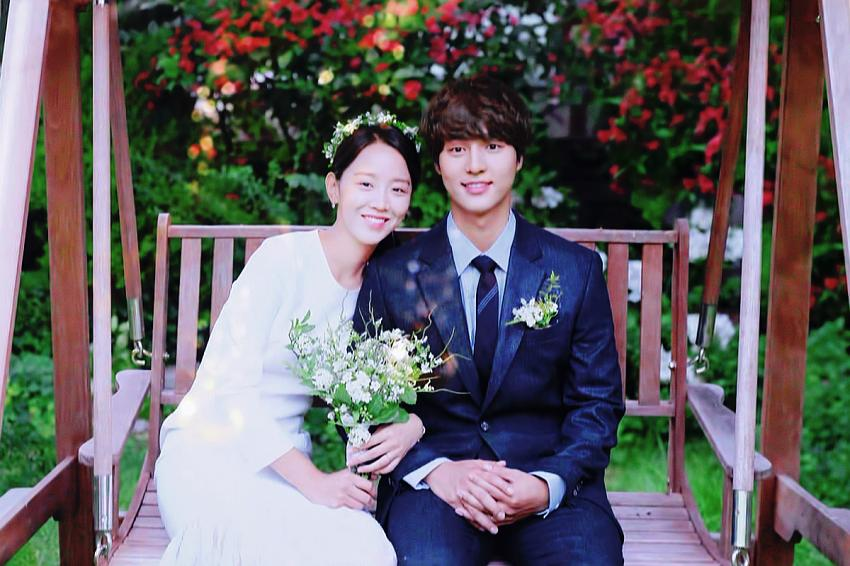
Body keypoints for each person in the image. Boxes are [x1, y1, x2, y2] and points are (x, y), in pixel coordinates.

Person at [351, 77, 626, 565]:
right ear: (438, 163)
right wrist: (436, 471)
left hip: (547, 488)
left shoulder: (574, 270)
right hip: (436, 491)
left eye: (493, 146)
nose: (474, 165)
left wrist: (546, 484)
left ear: (518, 159)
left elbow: (597, 402)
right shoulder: (393, 274)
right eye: (457, 148)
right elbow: (363, 399)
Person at [155, 113, 425, 566]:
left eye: (397, 189)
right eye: (365, 184)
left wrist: (412, 425)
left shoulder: (384, 289)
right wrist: (315, 483)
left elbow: (407, 390)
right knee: (249, 548)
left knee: (366, 549)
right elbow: (232, 390)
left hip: (284, 469)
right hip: (210, 453)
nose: (381, 202)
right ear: (334, 187)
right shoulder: (282, 261)